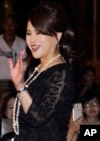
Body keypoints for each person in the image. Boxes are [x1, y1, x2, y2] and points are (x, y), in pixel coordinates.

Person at [9, 1, 76, 141]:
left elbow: (37, 118)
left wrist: (20, 86)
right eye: (29, 33)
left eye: (39, 33)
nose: (32, 39)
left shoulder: (60, 74)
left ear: (57, 36)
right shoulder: (38, 69)